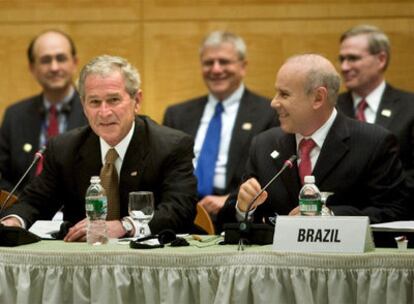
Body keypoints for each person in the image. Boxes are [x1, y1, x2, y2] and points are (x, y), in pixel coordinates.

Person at [1, 55, 197, 241]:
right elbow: (34, 202)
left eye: (114, 100)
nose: (104, 112)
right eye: (94, 102)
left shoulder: (171, 146)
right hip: (82, 264)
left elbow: (180, 210)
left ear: (136, 101)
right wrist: (13, 221)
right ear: (84, 106)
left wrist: (124, 226)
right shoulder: (64, 148)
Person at [217, 54, 408, 230]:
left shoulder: (373, 143)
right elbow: (227, 223)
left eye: (284, 94)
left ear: (318, 98)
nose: (273, 103)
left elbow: (396, 212)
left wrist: (330, 216)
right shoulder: (264, 144)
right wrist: (243, 208)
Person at [163, 31, 278, 218]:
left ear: (243, 66)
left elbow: (271, 176)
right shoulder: (177, 114)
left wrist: (231, 199)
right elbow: (166, 173)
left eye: (224, 62)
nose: (216, 69)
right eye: (208, 63)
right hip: (182, 214)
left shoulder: (268, 112)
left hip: (237, 215)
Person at [0, 29, 87, 193]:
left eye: (61, 58)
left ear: (74, 63)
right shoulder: (15, 116)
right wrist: (20, 208)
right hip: (24, 213)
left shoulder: (94, 112)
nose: (54, 67)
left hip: (79, 215)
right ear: (32, 68)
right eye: (46, 60)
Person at [336, 24, 414, 192]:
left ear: (381, 59)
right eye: (342, 59)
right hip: (343, 211)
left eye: (353, 58)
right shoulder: (331, 108)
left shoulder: (410, 107)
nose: (344, 67)